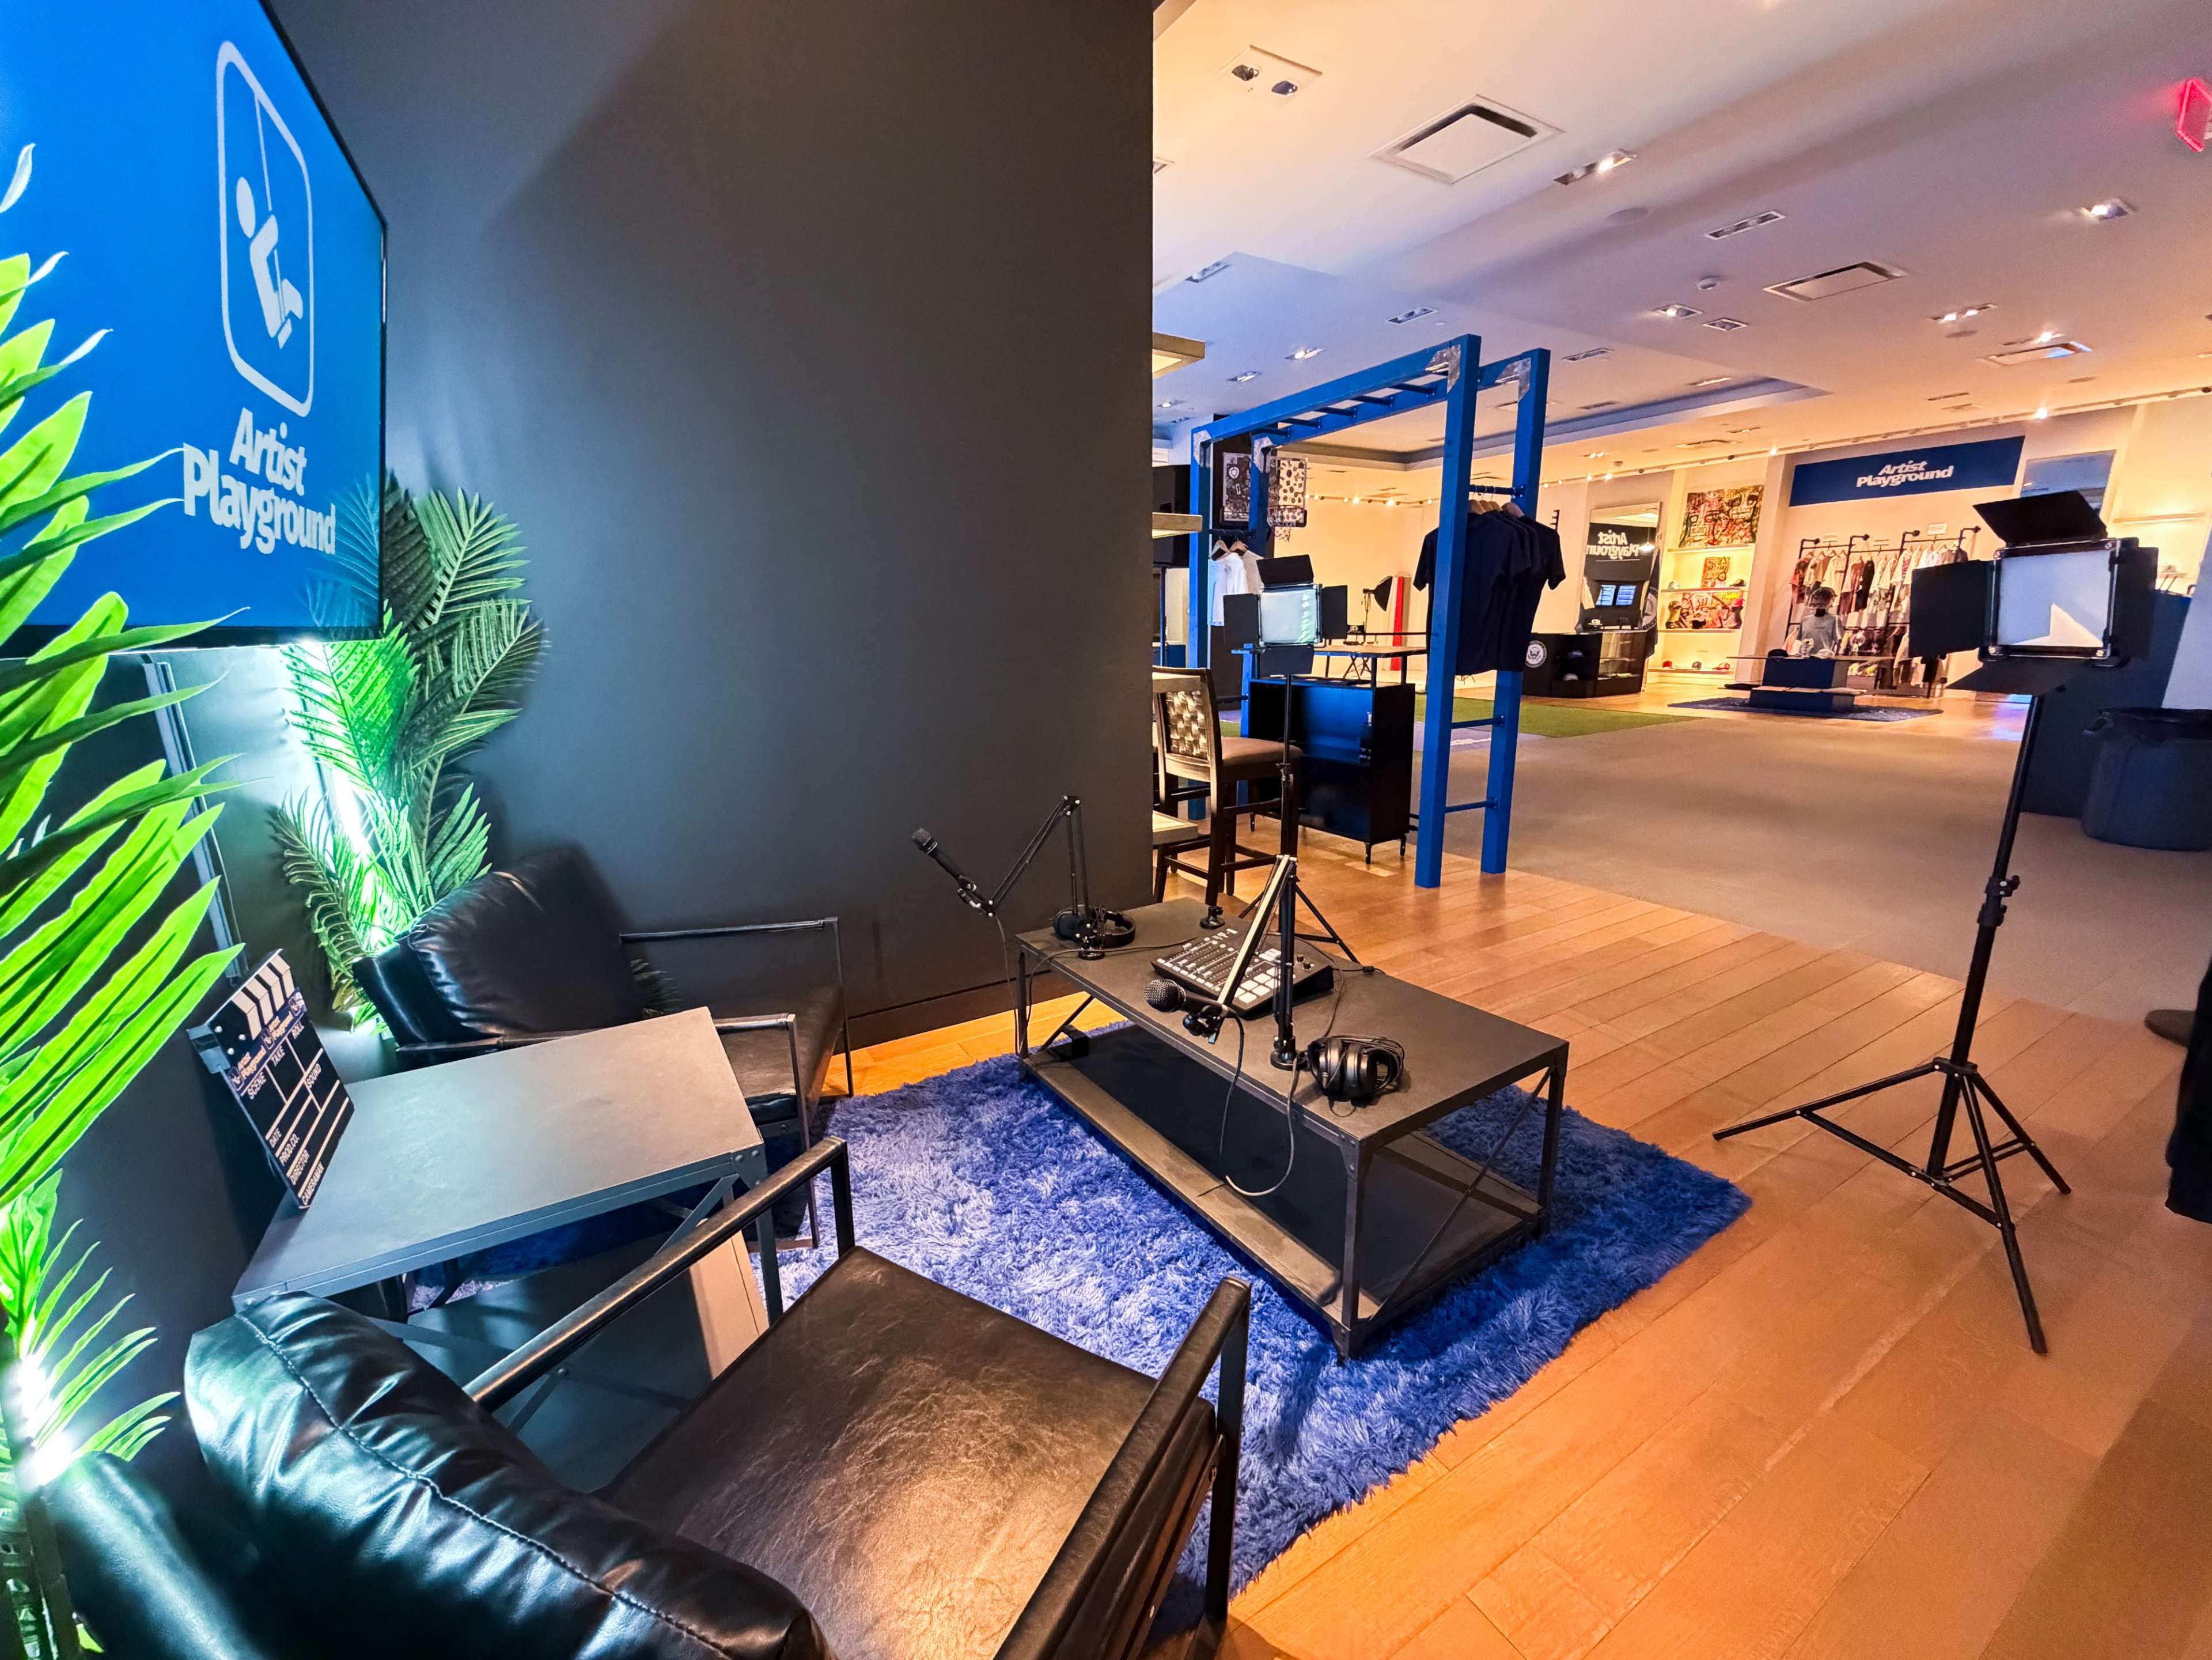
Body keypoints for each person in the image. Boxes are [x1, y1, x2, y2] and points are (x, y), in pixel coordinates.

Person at [1794, 585, 1842, 657]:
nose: (1819, 606)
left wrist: (1834, 656)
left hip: (1824, 659)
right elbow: (1799, 642)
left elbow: (1838, 642)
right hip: (1805, 658)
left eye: (1822, 604)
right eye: (1817, 604)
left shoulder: (1834, 620)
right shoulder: (1805, 620)